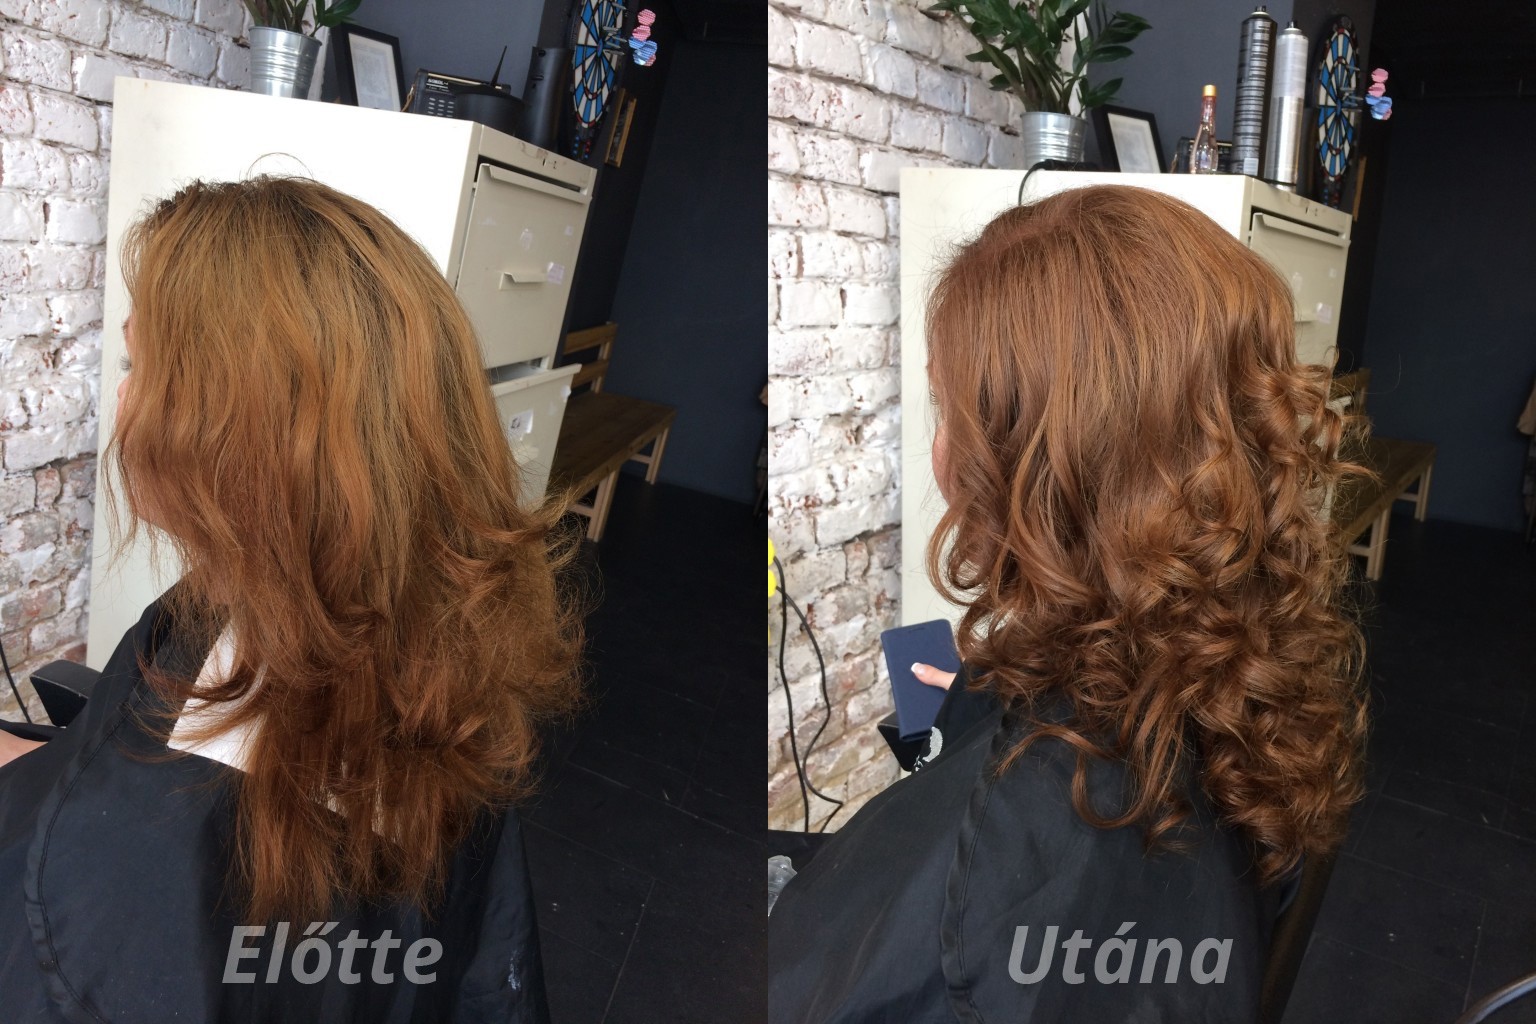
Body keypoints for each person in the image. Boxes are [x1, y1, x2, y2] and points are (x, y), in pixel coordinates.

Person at [768, 185, 1370, 1022]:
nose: (939, 452)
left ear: (1031, 463)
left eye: (947, 410)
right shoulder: (1251, 668)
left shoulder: (981, 885)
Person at [0, 176, 584, 1022]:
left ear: (234, 436)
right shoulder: (425, 645)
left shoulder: (133, 884)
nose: (122, 398)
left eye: (136, 365)